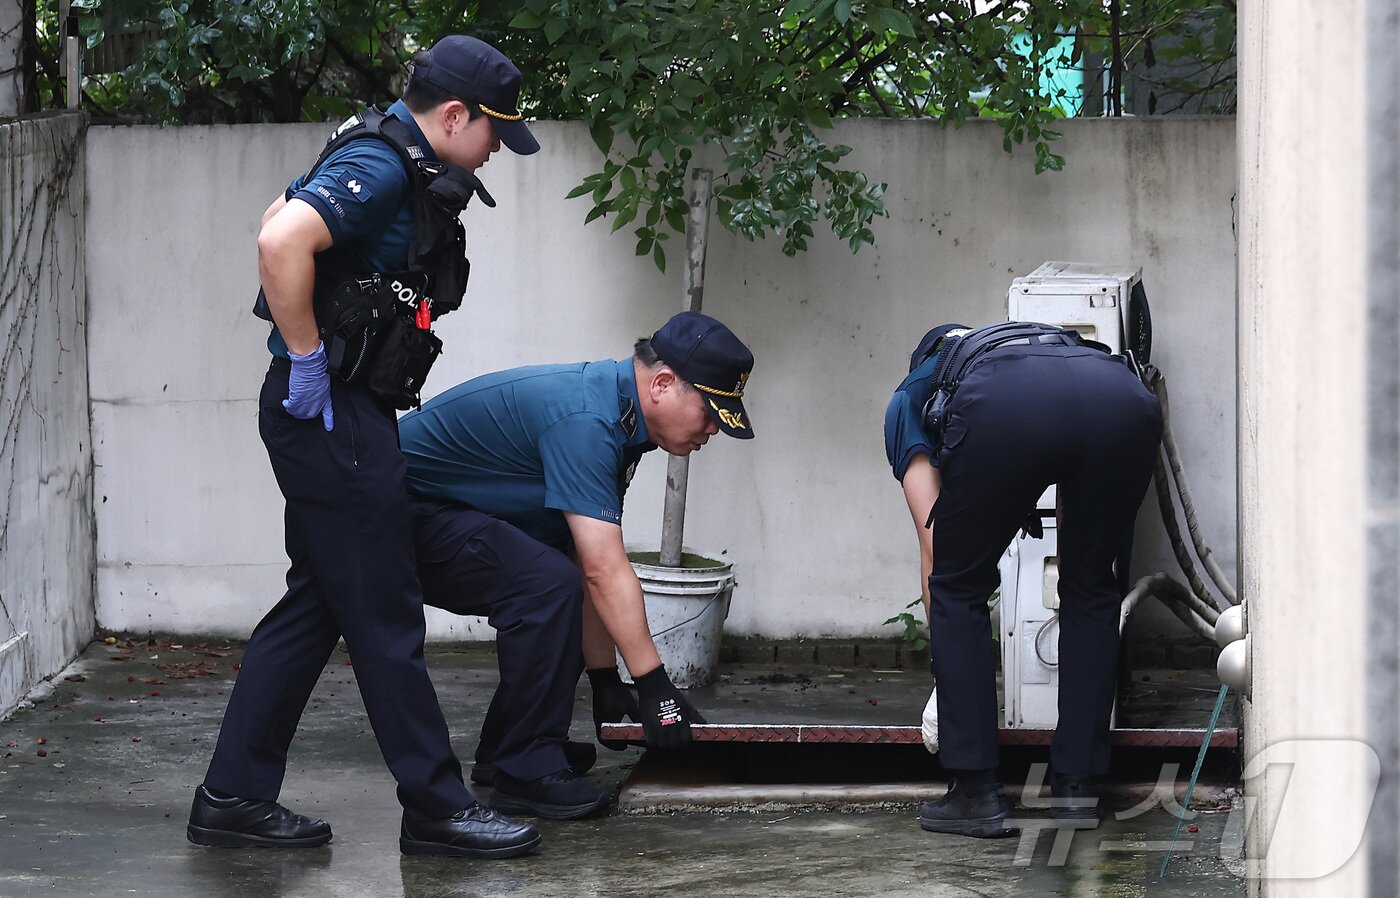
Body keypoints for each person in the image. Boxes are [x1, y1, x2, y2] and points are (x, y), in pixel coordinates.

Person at [189, 36, 545, 859]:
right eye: (493, 131)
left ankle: (233, 797)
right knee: (385, 615)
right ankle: (436, 808)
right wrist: (309, 359)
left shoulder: (381, 147)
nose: (495, 149)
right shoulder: (386, 164)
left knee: (317, 605)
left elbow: (280, 214)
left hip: (342, 410)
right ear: (454, 115)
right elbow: (278, 244)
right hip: (331, 411)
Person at [396, 311, 756, 820]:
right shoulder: (590, 422)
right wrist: (655, 687)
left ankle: (507, 751)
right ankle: (527, 770)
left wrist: (606, 678)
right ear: (662, 384)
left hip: (431, 514)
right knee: (544, 586)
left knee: (550, 574)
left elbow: (582, 553)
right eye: (709, 413)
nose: (712, 431)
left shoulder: (620, 420)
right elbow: (602, 571)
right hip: (389, 517)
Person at [885, 322, 1162, 838]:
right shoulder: (1026, 347)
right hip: (1121, 399)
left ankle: (975, 792)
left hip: (1006, 410)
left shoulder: (910, 397)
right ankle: (1076, 789)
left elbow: (939, 551)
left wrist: (947, 672)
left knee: (958, 586)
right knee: (1091, 590)